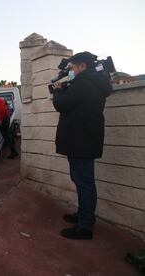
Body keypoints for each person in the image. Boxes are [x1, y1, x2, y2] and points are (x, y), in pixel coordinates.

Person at [51, 52, 112, 240]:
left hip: (81, 140)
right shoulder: (92, 82)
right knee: (82, 180)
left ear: (83, 66)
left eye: (73, 67)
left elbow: (62, 104)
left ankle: (85, 226)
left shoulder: (84, 83)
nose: (71, 70)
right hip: (83, 139)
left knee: (84, 182)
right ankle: (84, 215)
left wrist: (57, 90)